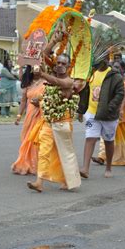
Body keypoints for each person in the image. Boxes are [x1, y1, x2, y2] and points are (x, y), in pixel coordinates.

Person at [27, 33, 82, 192]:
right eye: (57, 62)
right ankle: (39, 182)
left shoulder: (69, 81)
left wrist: (42, 74)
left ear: (69, 65)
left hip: (63, 123)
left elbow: (58, 82)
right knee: (44, 151)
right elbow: (43, 55)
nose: (59, 65)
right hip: (48, 122)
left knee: (63, 154)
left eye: (62, 63)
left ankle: (66, 180)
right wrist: (54, 41)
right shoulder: (52, 72)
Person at [77, 59, 124, 178]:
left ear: (107, 59)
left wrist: (110, 107)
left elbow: (120, 94)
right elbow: (85, 92)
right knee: (90, 138)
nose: (98, 62)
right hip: (92, 113)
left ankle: (108, 167)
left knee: (108, 141)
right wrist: (81, 110)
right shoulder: (91, 73)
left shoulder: (114, 76)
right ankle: (85, 169)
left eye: (101, 60)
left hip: (108, 115)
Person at [93, 61, 125, 166]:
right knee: (107, 134)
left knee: (124, 137)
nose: (114, 69)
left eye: (117, 67)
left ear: (122, 69)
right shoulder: (109, 80)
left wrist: (123, 100)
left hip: (124, 113)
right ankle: (102, 157)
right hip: (111, 112)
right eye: (113, 67)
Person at [11, 65, 45, 175]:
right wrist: (19, 116)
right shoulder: (28, 83)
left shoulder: (46, 82)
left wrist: (40, 103)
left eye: (38, 67)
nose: (36, 70)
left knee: (38, 139)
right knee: (28, 139)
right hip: (30, 115)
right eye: (34, 68)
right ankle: (28, 163)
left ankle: (39, 165)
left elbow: (50, 99)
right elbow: (24, 101)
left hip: (41, 115)